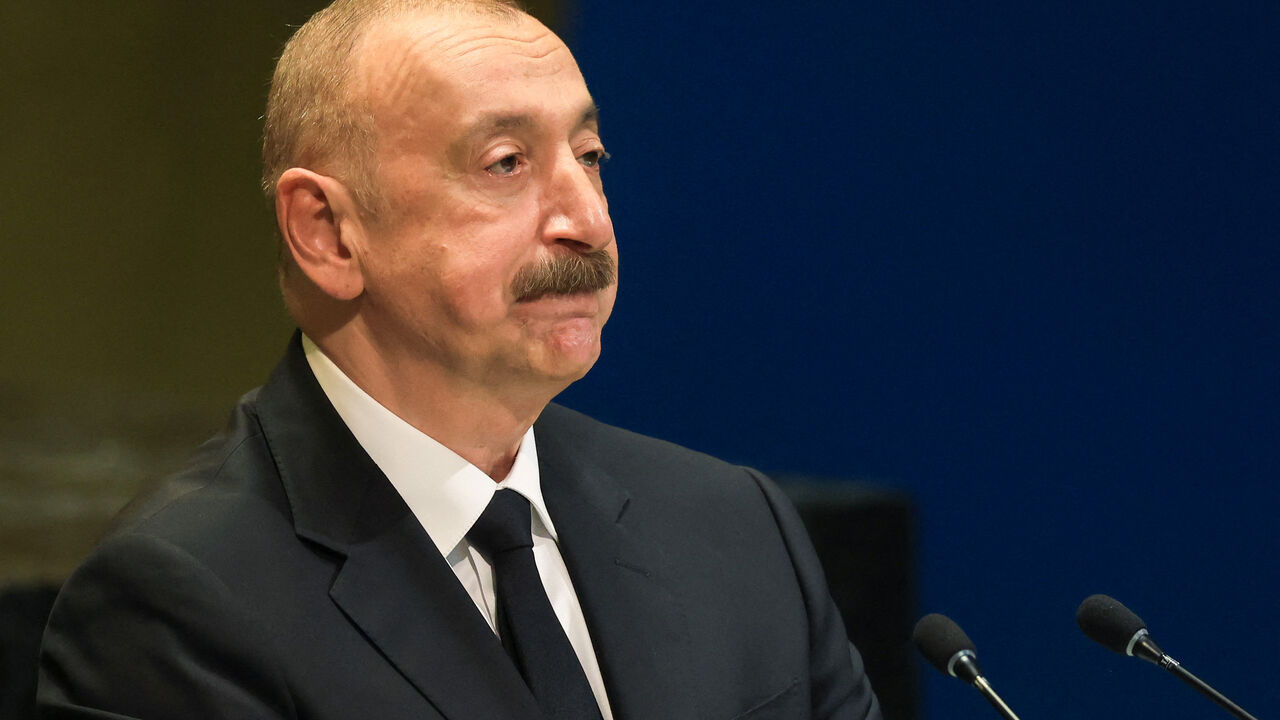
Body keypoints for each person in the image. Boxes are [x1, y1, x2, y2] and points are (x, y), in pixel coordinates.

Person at [37, 1, 883, 718]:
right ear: (327, 233)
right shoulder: (179, 608)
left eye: (590, 158)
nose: (586, 219)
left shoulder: (735, 526)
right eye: (506, 164)